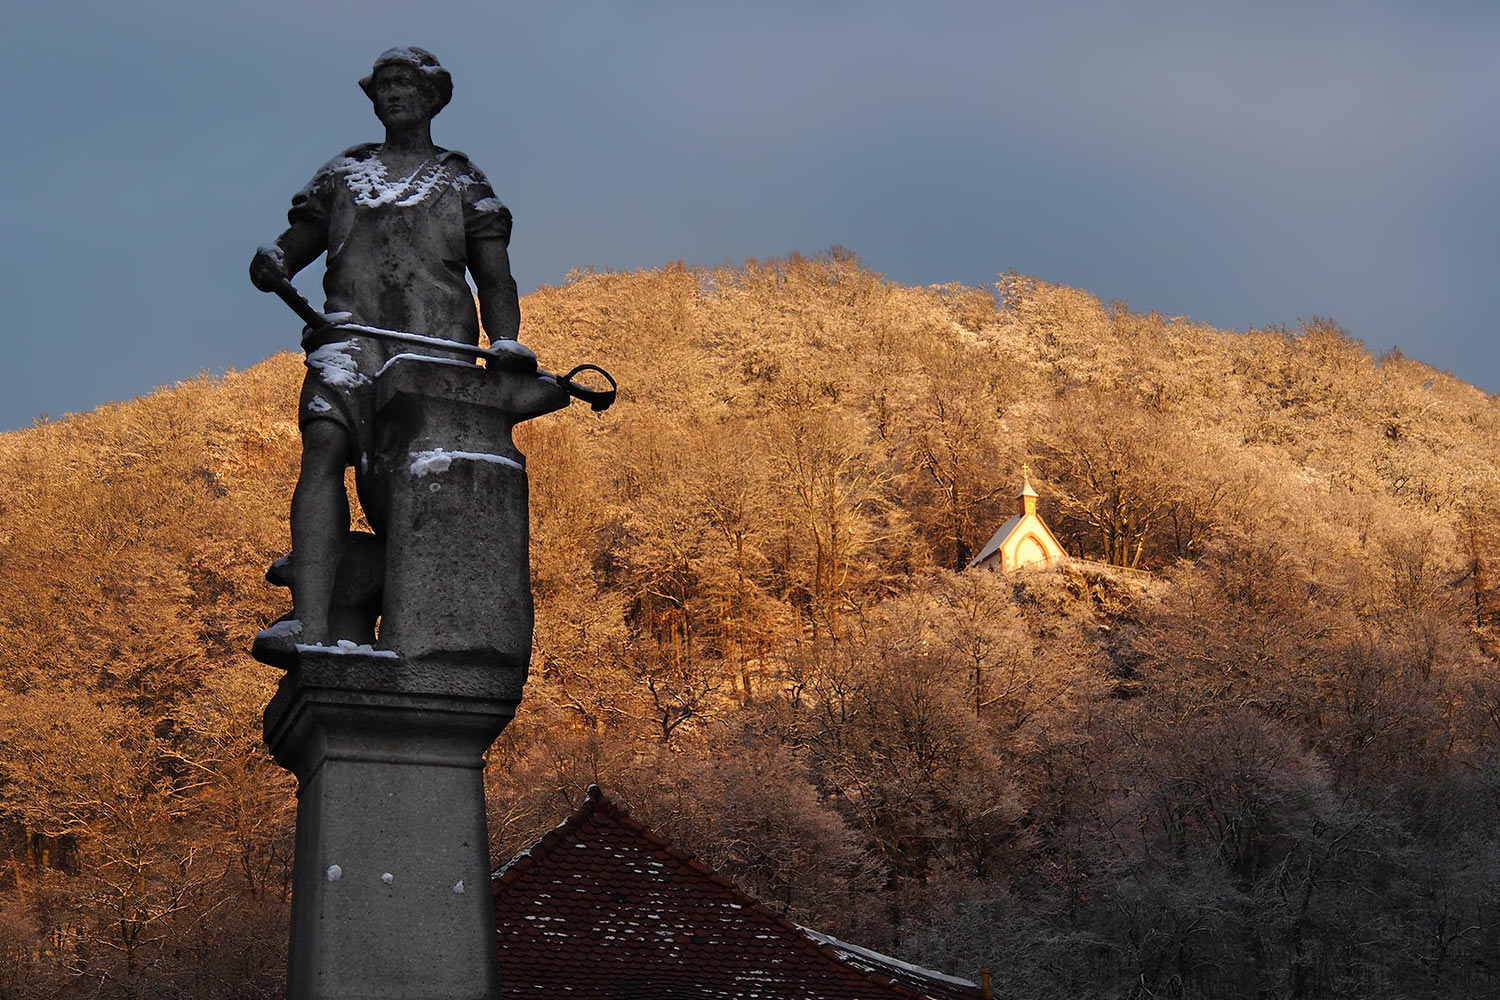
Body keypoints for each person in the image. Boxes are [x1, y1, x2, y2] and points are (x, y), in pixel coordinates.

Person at [250, 47, 518, 645]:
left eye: (405, 84)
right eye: (384, 86)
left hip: (434, 351)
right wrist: (273, 260)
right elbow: (294, 245)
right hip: (348, 339)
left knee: (401, 485)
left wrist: (506, 342)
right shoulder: (343, 175)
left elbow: (495, 278)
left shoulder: (461, 179)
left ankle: (404, 609)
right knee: (323, 444)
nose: (393, 94)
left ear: (430, 97)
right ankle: (310, 622)